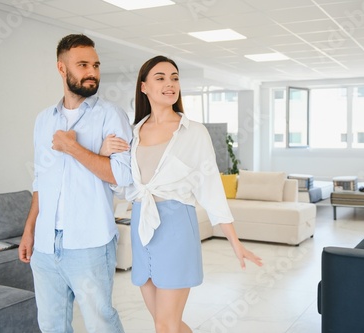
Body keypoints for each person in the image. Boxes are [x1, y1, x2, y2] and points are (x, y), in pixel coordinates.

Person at [100, 55, 263, 333]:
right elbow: (125, 185)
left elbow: (211, 189)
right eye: (160, 78)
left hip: (176, 227)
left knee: (166, 325)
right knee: (165, 323)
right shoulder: (134, 132)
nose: (170, 84)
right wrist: (105, 155)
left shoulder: (194, 133)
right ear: (144, 87)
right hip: (143, 226)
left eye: (174, 78)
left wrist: (234, 241)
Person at [18, 34, 132, 333]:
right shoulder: (44, 120)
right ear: (61, 68)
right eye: (82, 64)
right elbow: (40, 180)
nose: (92, 71)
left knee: (100, 323)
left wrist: (74, 148)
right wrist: (30, 229)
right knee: (51, 324)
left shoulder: (112, 116)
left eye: (95, 64)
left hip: (90, 242)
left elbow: (122, 178)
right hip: (44, 243)